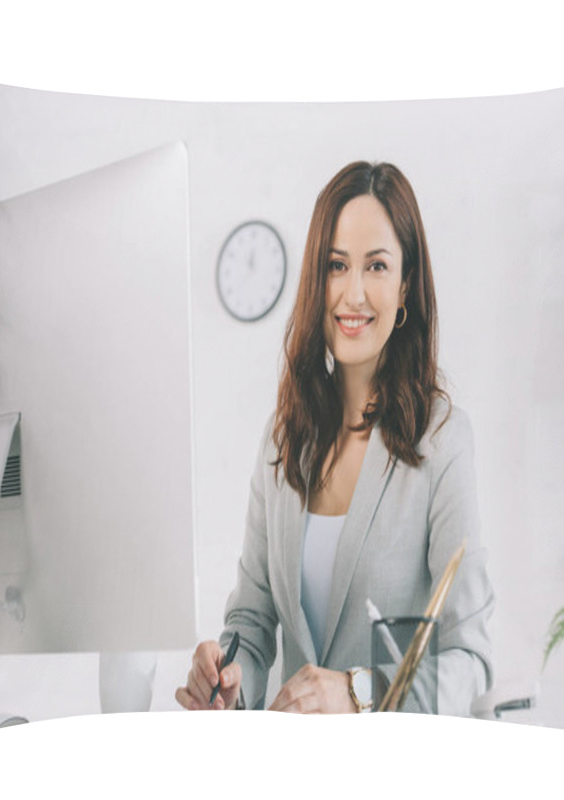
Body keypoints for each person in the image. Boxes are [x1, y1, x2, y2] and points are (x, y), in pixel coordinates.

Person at [175, 161, 493, 714]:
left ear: (406, 284)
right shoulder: (282, 439)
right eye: (336, 265)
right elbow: (250, 624)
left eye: (376, 266)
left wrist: (357, 691)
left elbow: (470, 657)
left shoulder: (442, 440)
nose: (352, 293)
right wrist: (229, 680)